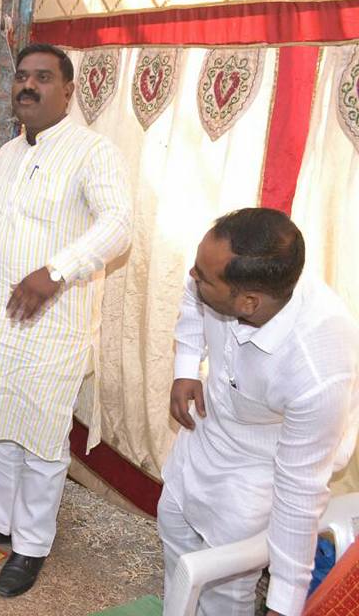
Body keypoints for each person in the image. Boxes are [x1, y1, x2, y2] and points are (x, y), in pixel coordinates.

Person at [0, 43, 132, 598]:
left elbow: (119, 225)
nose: (28, 86)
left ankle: (30, 545)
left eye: (43, 78)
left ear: (68, 91)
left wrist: (56, 271)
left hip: (54, 324)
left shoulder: (93, 152)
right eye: (22, 77)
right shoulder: (6, 154)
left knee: (43, 440)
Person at [160, 208, 359, 616]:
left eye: (203, 276)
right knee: (174, 531)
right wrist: (185, 369)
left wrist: (284, 603)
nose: (193, 277)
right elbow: (191, 293)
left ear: (249, 301)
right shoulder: (219, 279)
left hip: (261, 468)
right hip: (207, 430)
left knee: (223, 585)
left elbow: (300, 491)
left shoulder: (318, 368)